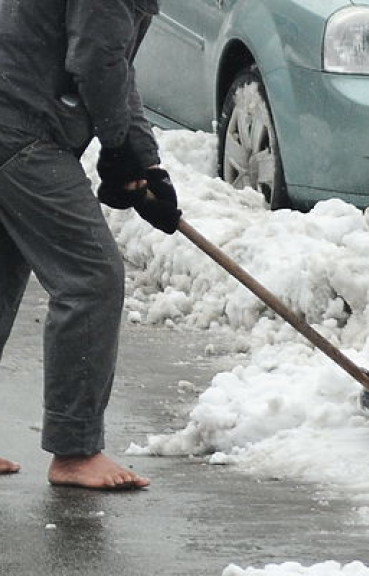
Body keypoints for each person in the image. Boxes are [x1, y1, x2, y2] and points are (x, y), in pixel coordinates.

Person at [0, 0, 181, 489]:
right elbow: (97, 59)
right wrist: (119, 150)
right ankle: (76, 450)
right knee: (91, 278)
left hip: (14, 113)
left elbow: (114, 64)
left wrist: (142, 162)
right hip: (19, 127)